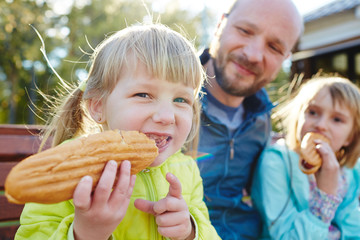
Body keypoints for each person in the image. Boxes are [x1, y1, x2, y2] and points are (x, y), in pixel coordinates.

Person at [15, 23, 221, 240]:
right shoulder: (67, 168)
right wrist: (86, 233)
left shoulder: (186, 170)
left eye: (181, 100)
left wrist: (190, 231)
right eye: (144, 95)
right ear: (98, 106)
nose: (167, 116)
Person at [196, 0, 303, 238]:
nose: (253, 55)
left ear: (286, 57)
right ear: (220, 25)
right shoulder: (161, 99)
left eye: (274, 47)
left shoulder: (262, 117)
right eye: (245, 31)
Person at [251, 76, 360, 239]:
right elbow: (285, 236)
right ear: (298, 117)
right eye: (313, 112)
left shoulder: (349, 171)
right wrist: (326, 194)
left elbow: (353, 229)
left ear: (350, 137)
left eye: (337, 119)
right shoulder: (276, 162)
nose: (321, 124)